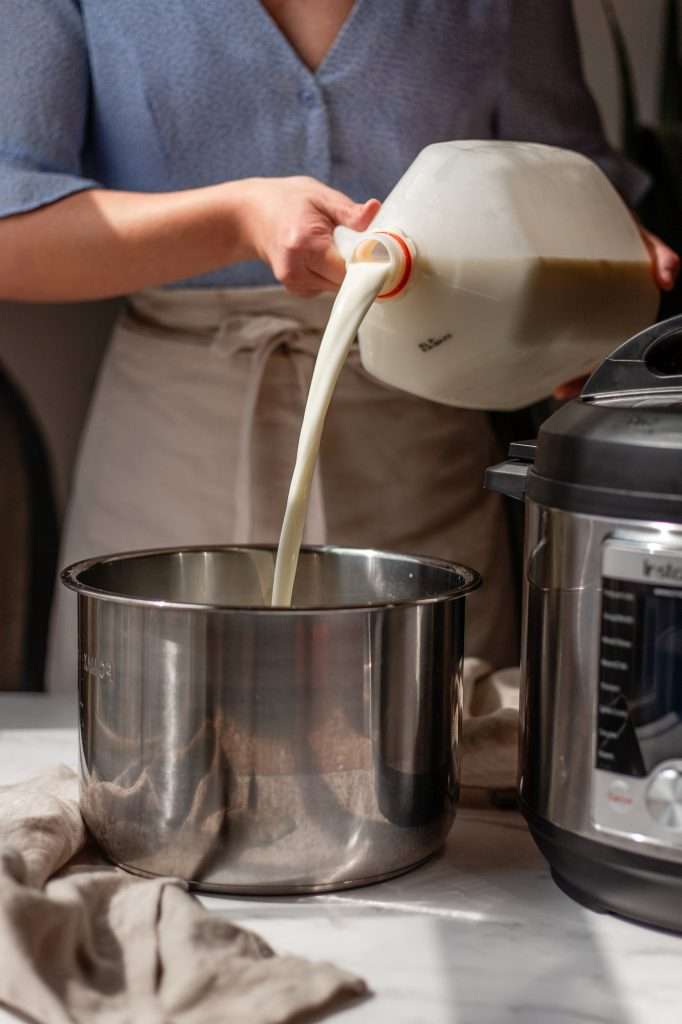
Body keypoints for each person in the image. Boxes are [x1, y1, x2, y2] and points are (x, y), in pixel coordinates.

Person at [0, 0, 677, 693]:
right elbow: (10, 229)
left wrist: (600, 280)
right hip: (169, 443)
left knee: (444, 751)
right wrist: (236, 221)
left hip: (422, 442)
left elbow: (564, 175)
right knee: (147, 747)